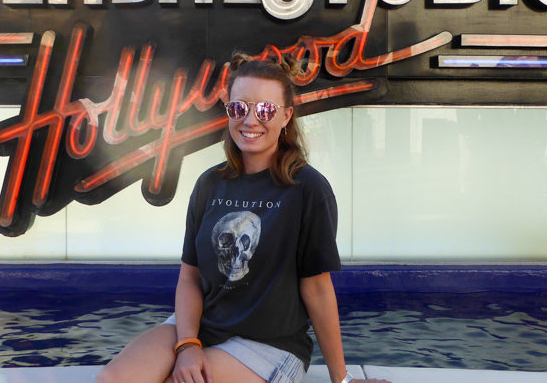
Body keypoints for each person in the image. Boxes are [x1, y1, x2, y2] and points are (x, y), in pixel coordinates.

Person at [97, 54, 389, 383]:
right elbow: (190, 278)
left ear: (286, 116)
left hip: (269, 345)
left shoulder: (309, 189)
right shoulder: (209, 184)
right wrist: (188, 344)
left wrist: (343, 380)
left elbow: (318, 289)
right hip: (203, 325)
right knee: (112, 381)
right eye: (239, 108)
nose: (250, 120)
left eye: (265, 110)